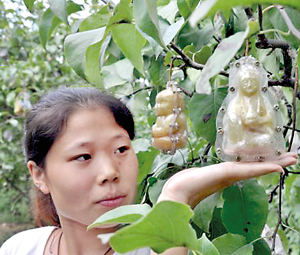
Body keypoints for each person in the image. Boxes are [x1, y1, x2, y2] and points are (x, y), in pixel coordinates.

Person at [0, 86, 297, 255]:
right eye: (83, 156)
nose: (110, 172)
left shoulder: (155, 250)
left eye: (121, 150)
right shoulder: (20, 249)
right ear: (39, 175)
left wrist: (176, 196)